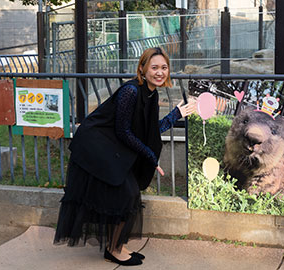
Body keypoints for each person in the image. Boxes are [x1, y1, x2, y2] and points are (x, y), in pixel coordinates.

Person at [53, 47, 196, 266]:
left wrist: (175, 115)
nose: (160, 72)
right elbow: (124, 131)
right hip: (97, 144)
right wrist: (150, 156)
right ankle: (114, 249)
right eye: (154, 67)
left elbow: (147, 130)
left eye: (164, 68)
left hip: (113, 146)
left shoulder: (151, 93)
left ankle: (117, 244)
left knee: (127, 194)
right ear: (142, 69)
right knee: (126, 193)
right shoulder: (131, 91)